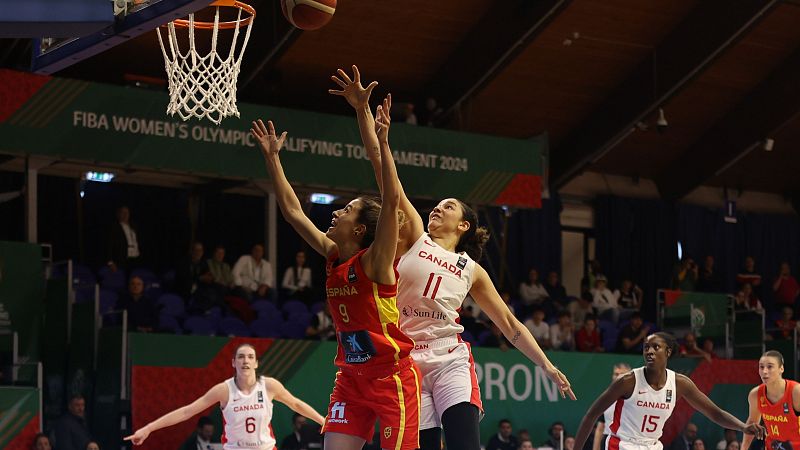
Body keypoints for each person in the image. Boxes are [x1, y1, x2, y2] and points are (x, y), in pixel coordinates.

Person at [330, 65, 576, 450]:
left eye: (447, 207)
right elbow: (383, 170)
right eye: (438, 206)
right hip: (406, 363)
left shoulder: (472, 270)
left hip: (448, 359)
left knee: (464, 443)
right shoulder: (414, 237)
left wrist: (545, 364)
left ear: (464, 225)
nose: (437, 210)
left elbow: (509, 323)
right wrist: (363, 113)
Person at [252, 109, 421, 450]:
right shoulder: (332, 254)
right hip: (351, 378)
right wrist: (272, 159)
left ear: (359, 229)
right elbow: (293, 213)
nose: (335, 212)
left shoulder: (375, 261)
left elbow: (390, 203)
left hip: (391, 378)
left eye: (345, 211)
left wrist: (384, 143)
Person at [572, 332, 764, 450]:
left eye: (656, 347)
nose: (650, 351)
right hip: (622, 445)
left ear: (668, 352)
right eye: (646, 347)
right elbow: (592, 414)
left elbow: (715, 413)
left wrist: (743, 427)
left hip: (653, 445)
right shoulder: (628, 381)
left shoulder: (680, 383)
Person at [125, 343, 324, 449]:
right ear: (233, 363)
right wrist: (149, 428)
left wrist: (323, 421)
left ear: (256, 363)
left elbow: (296, 404)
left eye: (250, 357)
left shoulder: (269, 386)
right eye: (241, 356)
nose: (245, 360)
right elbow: (187, 411)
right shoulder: (224, 390)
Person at [741, 351, 800, 450]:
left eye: (770, 367)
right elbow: (752, 423)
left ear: (781, 368)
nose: (764, 371)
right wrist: (743, 448)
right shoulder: (755, 395)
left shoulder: (796, 392)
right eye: (761, 367)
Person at [592, 363, 632, 450]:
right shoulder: (606, 397)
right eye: (616, 374)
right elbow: (600, 427)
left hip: (629, 442)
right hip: (609, 441)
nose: (618, 377)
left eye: (622, 374)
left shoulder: (636, 398)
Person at [107, 205, 141, 273]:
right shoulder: (115, 228)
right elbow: (109, 245)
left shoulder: (133, 226)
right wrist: (110, 262)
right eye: (123, 213)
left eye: (127, 213)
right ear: (118, 214)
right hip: (123, 259)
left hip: (136, 258)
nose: (125, 215)